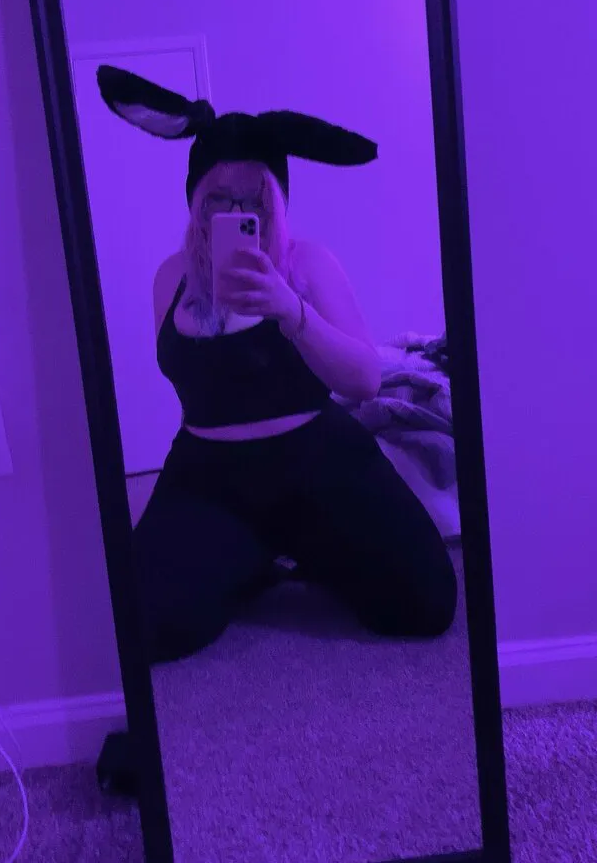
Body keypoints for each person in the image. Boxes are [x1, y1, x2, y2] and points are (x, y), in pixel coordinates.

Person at [97, 65, 458, 666]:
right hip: (209, 474)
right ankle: (257, 557)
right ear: (196, 201)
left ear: (278, 202)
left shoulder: (308, 264)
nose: (238, 210)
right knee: (142, 626)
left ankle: (288, 551)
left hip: (318, 460)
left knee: (425, 604)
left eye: (255, 199)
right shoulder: (170, 278)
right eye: (220, 197)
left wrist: (291, 311)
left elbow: (365, 379)